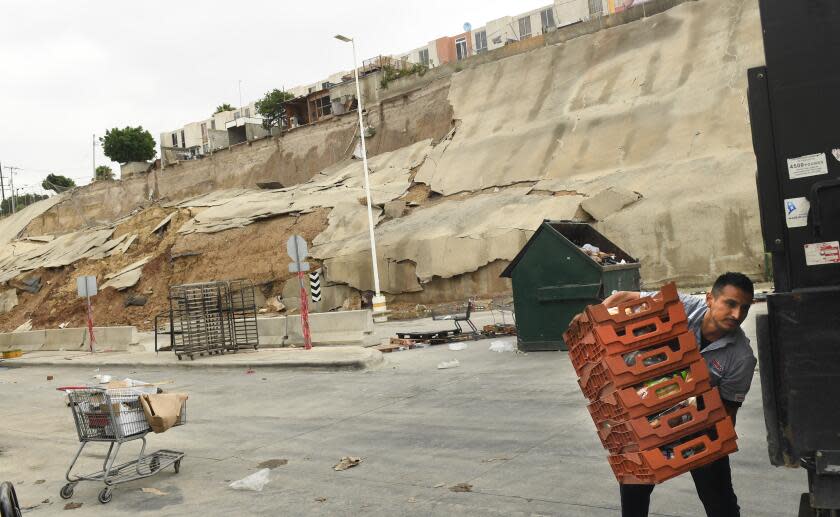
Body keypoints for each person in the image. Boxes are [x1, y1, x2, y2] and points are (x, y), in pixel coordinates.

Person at [602, 272, 758, 517]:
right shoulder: (681, 307)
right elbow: (622, 298)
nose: (737, 315)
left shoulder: (741, 357)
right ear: (709, 299)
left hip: (699, 421)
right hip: (651, 410)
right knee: (635, 485)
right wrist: (590, 319)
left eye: (745, 308)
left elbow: (727, 413)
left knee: (720, 500)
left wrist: (709, 447)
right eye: (730, 303)